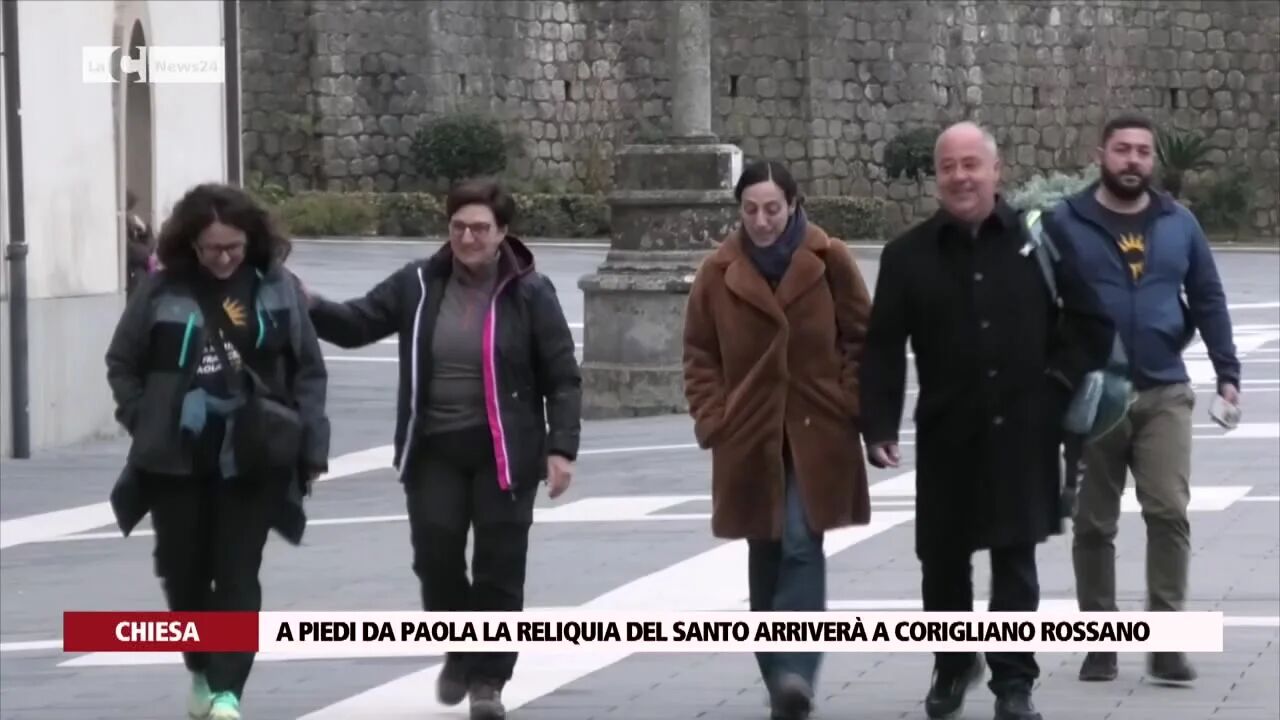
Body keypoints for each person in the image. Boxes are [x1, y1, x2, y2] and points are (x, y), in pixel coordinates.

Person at [858, 122, 1114, 720]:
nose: (960, 176)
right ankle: (952, 666)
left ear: (997, 172)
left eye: (972, 164)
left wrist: (1055, 389)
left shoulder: (1041, 240)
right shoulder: (906, 256)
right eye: (948, 166)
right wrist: (879, 426)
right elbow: (883, 348)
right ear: (937, 177)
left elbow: (1091, 323)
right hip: (948, 433)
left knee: (1013, 566)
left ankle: (1014, 684)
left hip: (1023, 431)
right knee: (942, 564)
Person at [305, 178, 581, 720]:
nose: (468, 237)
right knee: (435, 558)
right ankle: (459, 647)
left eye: (480, 228)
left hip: (506, 453)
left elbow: (562, 377)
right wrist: (308, 303)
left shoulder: (530, 292)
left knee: (500, 567)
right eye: (458, 227)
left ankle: (487, 681)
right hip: (433, 448)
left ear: (503, 233)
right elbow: (359, 324)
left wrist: (560, 449)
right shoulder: (417, 283)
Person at [105, 183, 331, 720]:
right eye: (213, 249)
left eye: (234, 246)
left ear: (251, 241)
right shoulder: (161, 292)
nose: (225, 257)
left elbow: (309, 371)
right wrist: (147, 417)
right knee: (181, 570)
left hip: (253, 452)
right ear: (192, 245)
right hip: (176, 456)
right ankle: (202, 667)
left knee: (237, 570)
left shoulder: (276, 288)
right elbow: (123, 361)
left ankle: (228, 689)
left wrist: (310, 444)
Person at [1045, 113, 1241, 685]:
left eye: (1142, 152)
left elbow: (1207, 295)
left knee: (1168, 512)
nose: (1133, 160)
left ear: (1152, 161)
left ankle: (1166, 642)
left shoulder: (1179, 224)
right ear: (1101, 154)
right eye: (1122, 150)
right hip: (1093, 395)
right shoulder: (1065, 222)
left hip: (1164, 391)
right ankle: (1101, 642)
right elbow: (1038, 300)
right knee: (1093, 524)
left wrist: (1228, 371)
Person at [682, 160, 873, 720]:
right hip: (748, 433)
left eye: (772, 208)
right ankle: (780, 678)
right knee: (763, 550)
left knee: (798, 540)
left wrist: (850, 402)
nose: (762, 221)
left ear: (793, 204)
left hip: (817, 428)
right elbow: (699, 353)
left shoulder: (829, 258)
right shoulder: (717, 272)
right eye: (750, 210)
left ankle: (796, 670)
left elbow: (861, 337)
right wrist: (714, 417)